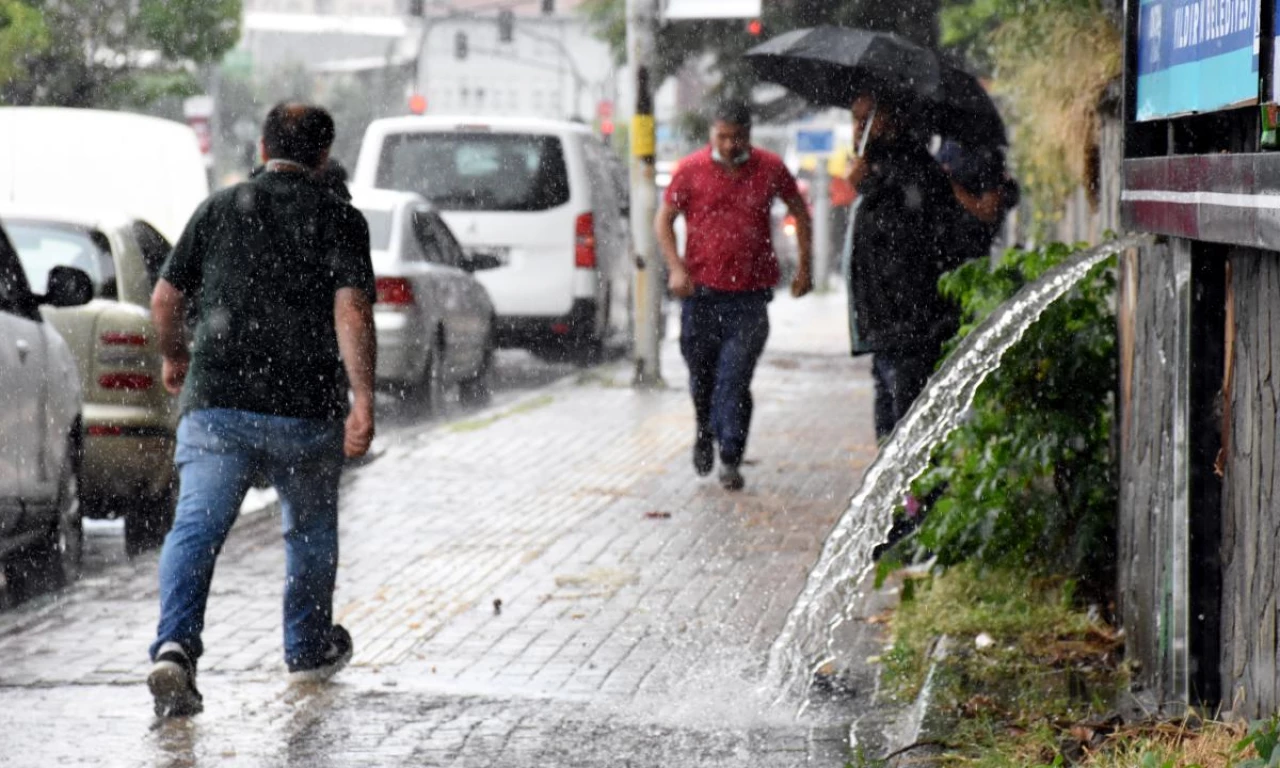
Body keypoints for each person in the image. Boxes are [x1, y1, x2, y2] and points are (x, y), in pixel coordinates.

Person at [146, 103, 377, 718]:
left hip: (218, 402)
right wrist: (364, 398)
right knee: (308, 531)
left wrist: (176, 358)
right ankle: (306, 648)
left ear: (262, 142)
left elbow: (165, 299)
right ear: (323, 156)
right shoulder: (340, 219)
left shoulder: (221, 208)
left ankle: (175, 647)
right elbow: (352, 312)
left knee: (197, 526)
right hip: (305, 408)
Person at [655, 100, 814, 491]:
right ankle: (704, 428)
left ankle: (730, 455)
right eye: (722, 137)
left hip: (750, 297)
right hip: (701, 295)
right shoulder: (690, 170)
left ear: (749, 135)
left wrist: (806, 266)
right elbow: (664, 219)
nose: (729, 145)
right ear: (712, 133)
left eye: (737, 137)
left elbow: (800, 211)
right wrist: (675, 266)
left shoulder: (770, 168)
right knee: (702, 378)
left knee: (735, 377)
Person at [844, 95, 986, 441]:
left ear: (893, 120)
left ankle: (917, 495)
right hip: (886, 325)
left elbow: (902, 243)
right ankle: (903, 493)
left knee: (907, 424)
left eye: (868, 120)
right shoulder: (879, 168)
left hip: (911, 325)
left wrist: (869, 186)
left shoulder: (911, 170)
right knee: (890, 419)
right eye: (855, 120)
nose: (858, 129)